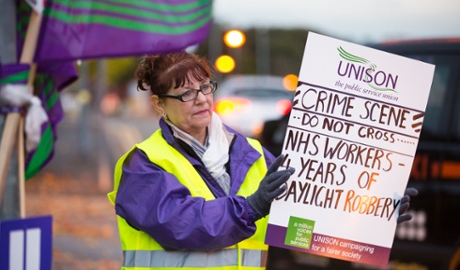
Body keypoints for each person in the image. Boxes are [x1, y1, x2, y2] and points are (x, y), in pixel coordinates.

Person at [107, 52, 417, 270]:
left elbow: (300, 217)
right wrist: (252, 207)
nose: (201, 99)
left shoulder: (251, 152)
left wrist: (370, 219)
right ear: (159, 104)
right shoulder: (143, 165)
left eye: (204, 87)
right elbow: (184, 225)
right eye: (186, 93)